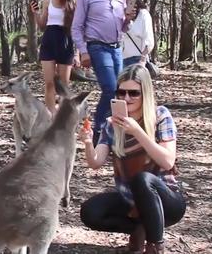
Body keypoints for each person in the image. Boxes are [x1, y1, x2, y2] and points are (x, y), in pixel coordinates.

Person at [78, 64, 185, 254]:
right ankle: (139, 229)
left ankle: (155, 246)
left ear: (145, 93)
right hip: (130, 199)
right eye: (121, 92)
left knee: (143, 180)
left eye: (133, 93)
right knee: (90, 212)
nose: (126, 98)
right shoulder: (112, 124)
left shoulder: (160, 116)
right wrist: (87, 142)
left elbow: (168, 161)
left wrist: (138, 131)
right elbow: (95, 163)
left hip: (166, 200)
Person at [71, 0, 132, 146]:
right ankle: (97, 129)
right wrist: (83, 52)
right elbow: (76, 27)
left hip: (116, 48)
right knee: (109, 87)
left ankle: (115, 131)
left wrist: (128, 20)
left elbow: (123, 26)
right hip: (97, 47)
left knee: (120, 91)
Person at [30, 0, 78, 116]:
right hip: (49, 39)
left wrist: (77, 52)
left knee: (64, 84)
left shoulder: (73, 2)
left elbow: (76, 28)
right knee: (49, 83)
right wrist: (36, 13)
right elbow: (42, 25)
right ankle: (50, 114)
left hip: (65, 40)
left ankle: (62, 115)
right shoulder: (47, 1)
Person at [118, 0, 155, 69]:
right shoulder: (116, 16)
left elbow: (148, 39)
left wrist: (142, 60)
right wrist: (126, 20)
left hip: (137, 59)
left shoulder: (143, 15)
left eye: (130, 1)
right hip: (119, 60)